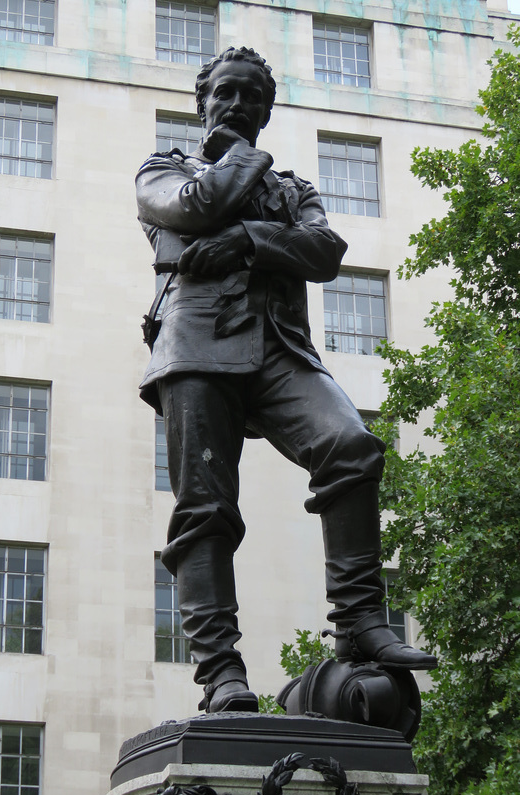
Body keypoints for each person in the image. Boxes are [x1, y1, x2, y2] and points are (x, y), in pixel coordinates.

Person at [136, 46, 437, 714]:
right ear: (204, 102)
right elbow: (194, 203)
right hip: (197, 349)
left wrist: (246, 242)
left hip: (281, 351)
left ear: (267, 109)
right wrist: (239, 156)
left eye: (251, 97)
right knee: (206, 511)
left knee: (352, 447)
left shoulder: (292, 188)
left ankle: (359, 622)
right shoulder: (163, 168)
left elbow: (325, 252)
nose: (238, 104)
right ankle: (221, 674)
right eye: (226, 94)